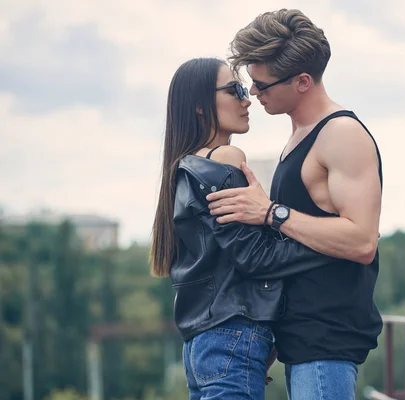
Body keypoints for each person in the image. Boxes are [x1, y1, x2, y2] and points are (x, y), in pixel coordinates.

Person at [206, 9, 384, 400]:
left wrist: (270, 212)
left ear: (303, 81)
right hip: (302, 341)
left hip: (326, 343)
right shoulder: (298, 137)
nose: (253, 93)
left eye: (262, 84)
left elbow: (361, 241)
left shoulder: (341, 134)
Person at [149, 57, 335, 400]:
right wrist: (332, 244)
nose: (247, 98)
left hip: (201, 345)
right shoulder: (225, 159)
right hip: (233, 335)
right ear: (200, 107)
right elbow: (256, 256)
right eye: (234, 89)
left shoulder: (186, 168)